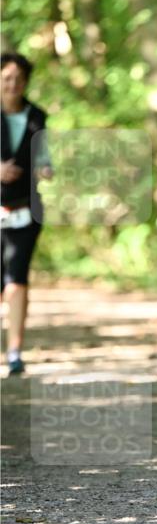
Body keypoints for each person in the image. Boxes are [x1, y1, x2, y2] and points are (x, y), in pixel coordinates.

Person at [1, 52, 52, 376]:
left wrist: (45, 168)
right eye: (7, 78)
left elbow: (43, 155)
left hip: (25, 211)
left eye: (19, 79)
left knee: (17, 281)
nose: (13, 84)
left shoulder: (37, 116)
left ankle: (14, 353)